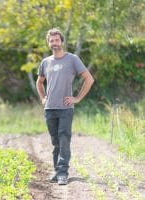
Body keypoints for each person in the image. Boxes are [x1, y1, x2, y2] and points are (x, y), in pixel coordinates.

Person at [36, 28, 94, 185]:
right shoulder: (45, 62)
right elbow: (39, 82)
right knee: (55, 141)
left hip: (66, 109)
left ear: (62, 41)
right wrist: (43, 98)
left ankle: (63, 173)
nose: (54, 43)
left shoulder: (72, 59)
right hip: (49, 109)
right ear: (49, 43)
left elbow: (89, 79)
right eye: (51, 41)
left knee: (64, 139)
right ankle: (57, 170)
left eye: (56, 40)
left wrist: (77, 98)